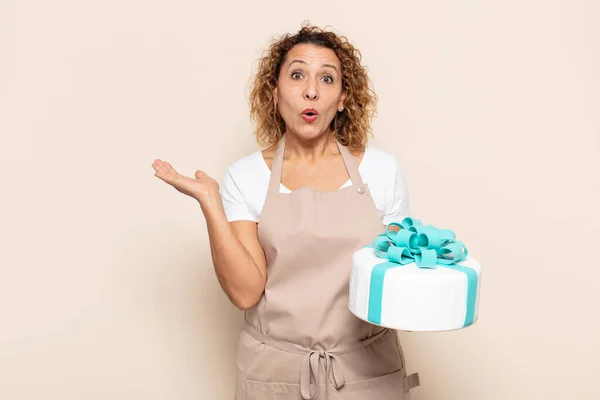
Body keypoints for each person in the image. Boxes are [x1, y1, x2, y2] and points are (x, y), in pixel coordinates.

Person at [152, 24, 420, 400]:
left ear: (343, 97)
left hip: (366, 373)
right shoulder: (246, 176)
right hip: (274, 373)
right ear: (274, 92)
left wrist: (432, 272)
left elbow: (393, 286)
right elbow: (246, 292)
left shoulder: (381, 171)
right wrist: (211, 203)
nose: (311, 90)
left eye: (327, 78)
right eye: (297, 75)